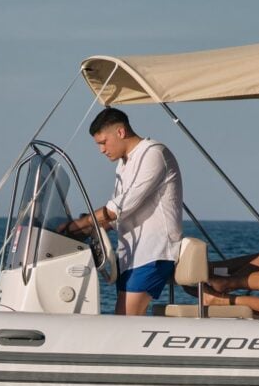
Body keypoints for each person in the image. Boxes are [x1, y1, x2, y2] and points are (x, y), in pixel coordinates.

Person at [59, 107, 183, 315]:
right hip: (132, 256)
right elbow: (116, 216)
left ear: (121, 132)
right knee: (125, 319)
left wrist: (77, 225)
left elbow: (119, 208)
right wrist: (83, 232)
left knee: (125, 319)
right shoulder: (124, 163)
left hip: (154, 253)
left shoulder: (152, 153)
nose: (102, 150)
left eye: (103, 142)